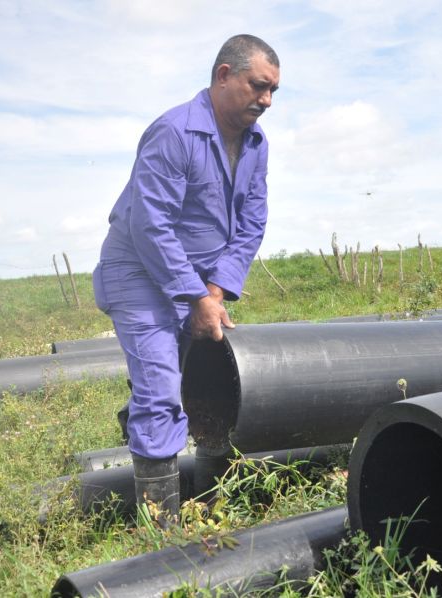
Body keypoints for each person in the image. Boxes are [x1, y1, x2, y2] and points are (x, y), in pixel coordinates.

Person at [91, 34, 280, 527]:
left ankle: (204, 498)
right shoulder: (174, 132)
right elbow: (151, 224)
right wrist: (194, 293)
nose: (266, 100)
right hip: (140, 273)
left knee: (206, 380)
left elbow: (252, 222)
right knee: (159, 390)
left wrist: (214, 291)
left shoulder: (255, 143)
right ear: (223, 76)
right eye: (258, 86)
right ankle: (161, 537)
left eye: (274, 92)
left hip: (198, 279)